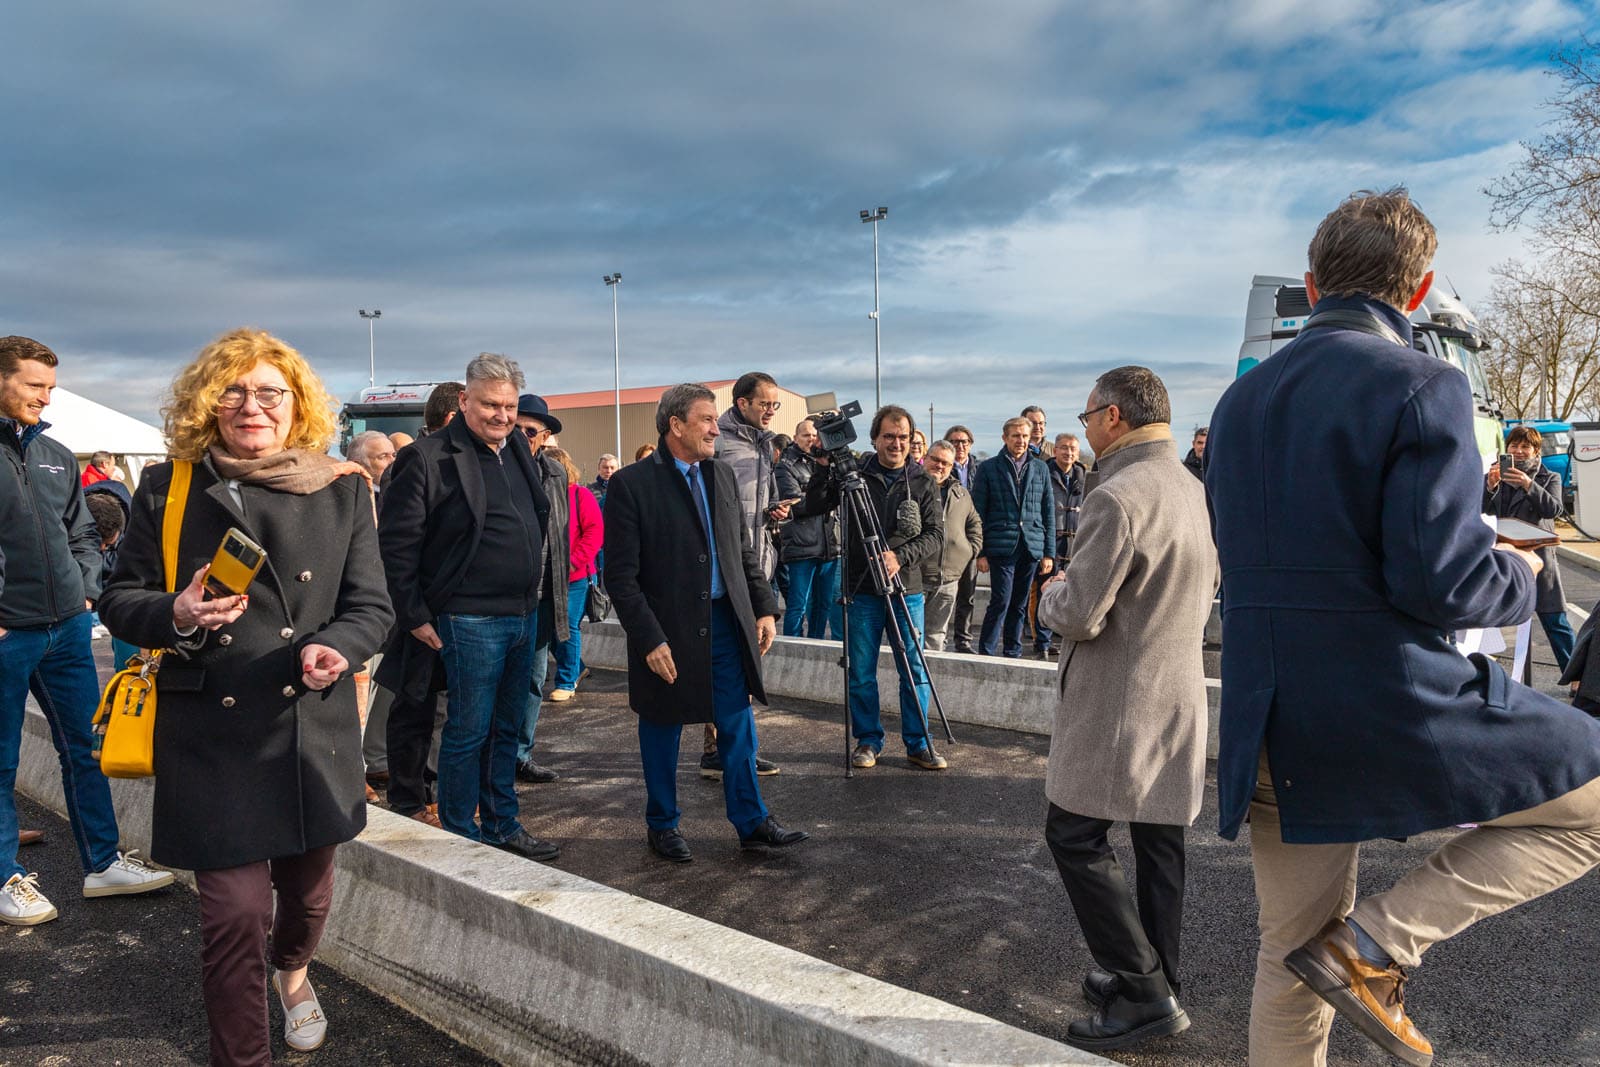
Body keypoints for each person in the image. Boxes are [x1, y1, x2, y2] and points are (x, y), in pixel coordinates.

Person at [1207, 188, 1600, 1067]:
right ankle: (1378, 942)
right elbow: (1445, 579)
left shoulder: (1239, 404)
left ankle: (1351, 951)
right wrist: (1525, 575)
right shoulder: (1425, 381)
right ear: (1417, 294)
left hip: (1266, 718)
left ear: (1312, 288)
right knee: (1594, 809)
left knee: (1284, 953)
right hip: (1385, 707)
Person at [98, 327, 393, 1064]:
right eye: (233, 389)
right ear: (209, 402)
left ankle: (293, 969)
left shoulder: (342, 487)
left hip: (306, 725)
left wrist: (340, 646)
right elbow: (118, 597)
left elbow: (372, 605)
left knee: (308, 898)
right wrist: (177, 611)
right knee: (232, 914)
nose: (250, 405)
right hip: (209, 727)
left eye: (269, 392)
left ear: (296, 407)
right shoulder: (169, 485)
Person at [1038, 366, 1218, 1052]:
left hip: (1120, 700)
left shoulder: (1118, 495)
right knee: (1159, 841)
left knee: (1074, 833)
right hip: (1177, 691)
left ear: (1113, 416)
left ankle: (1142, 987)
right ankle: (1159, 976)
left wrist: (1051, 589)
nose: (1082, 428)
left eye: (1086, 416)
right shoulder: (1193, 489)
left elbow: (1081, 613)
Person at [2, 335, 174, 930]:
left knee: (86, 748)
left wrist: (84, 588)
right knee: (1, 759)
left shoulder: (55, 454)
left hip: (68, 627)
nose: (46, 398)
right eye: (33, 385)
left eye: (50, 387)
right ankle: (5, 878)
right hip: (8, 631)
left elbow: (81, 528)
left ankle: (102, 864)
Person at [604, 382, 809, 862]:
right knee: (661, 728)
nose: (717, 428)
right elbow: (619, 576)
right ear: (675, 425)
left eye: (716, 420)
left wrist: (764, 606)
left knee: (737, 725)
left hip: (724, 623)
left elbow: (742, 553)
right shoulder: (631, 484)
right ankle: (662, 825)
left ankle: (752, 820)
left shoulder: (720, 476)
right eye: (706, 420)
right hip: (665, 630)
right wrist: (649, 639)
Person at [378, 354, 562, 863]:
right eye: (490, 404)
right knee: (468, 730)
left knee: (508, 730)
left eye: (508, 406)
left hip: (523, 614)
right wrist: (413, 615)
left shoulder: (519, 451)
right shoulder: (427, 457)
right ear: (464, 401)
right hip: (467, 618)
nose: (501, 415)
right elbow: (397, 546)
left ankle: (503, 823)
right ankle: (461, 834)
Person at [803, 405, 947, 769]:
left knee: (913, 669)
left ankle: (918, 742)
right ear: (874, 439)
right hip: (861, 588)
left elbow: (935, 535)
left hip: (906, 588)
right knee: (860, 670)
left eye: (903, 438)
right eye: (889, 437)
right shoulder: (856, 474)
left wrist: (901, 556)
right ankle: (868, 740)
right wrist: (823, 467)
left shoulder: (923, 480)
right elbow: (816, 503)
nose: (896, 444)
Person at [371, 380, 462, 829]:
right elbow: (398, 547)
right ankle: (408, 801)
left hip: (447, 611)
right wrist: (412, 614)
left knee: (438, 708)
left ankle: (432, 791)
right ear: (451, 417)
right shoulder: (416, 462)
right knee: (414, 708)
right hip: (419, 613)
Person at [707, 371, 789, 779]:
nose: (771, 411)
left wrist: (775, 510)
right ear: (742, 404)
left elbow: (757, 500)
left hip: (757, 562)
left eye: (775, 405)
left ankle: (728, 748)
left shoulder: (763, 445)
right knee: (729, 665)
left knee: (745, 664)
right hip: (725, 572)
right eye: (765, 404)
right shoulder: (717, 442)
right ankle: (723, 750)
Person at [509, 393, 572, 783]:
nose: (522, 436)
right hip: (505, 596)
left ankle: (520, 754)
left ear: (544, 436)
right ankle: (494, 760)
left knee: (533, 680)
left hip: (545, 594)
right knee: (497, 683)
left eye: (530, 431)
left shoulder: (556, 474)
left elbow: (560, 536)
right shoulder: (496, 466)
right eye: (517, 428)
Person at [1485, 424, 1574, 671]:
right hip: (1503, 556)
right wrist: (1490, 487)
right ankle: (1480, 669)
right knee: (1487, 615)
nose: (1520, 450)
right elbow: (1481, 511)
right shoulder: (1496, 476)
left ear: (1536, 451)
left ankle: (1576, 675)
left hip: (1539, 557)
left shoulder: (1549, 477)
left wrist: (1528, 484)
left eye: (1526, 446)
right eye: (1514, 445)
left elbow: (1554, 509)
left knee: (1554, 619)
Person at [972, 417, 1054, 657]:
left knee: (1019, 603)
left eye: (1025, 436)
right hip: (1001, 545)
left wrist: (1048, 552)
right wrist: (981, 552)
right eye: (1016, 436)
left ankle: (1012, 651)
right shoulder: (988, 468)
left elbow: (1048, 510)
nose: (1021, 441)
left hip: (1031, 545)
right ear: (1005, 438)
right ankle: (987, 650)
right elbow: (978, 512)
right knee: (1000, 600)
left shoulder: (1040, 468)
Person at [773, 418, 842, 639]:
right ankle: (794, 647)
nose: (811, 440)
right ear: (795, 438)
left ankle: (816, 644)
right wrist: (826, 499)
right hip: (801, 546)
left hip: (828, 546)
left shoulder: (826, 462)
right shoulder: (786, 466)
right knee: (797, 606)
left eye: (814, 436)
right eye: (806, 435)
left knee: (823, 604)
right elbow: (795, 504)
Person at [544, 447, 602, 702]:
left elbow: (594, 534)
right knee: (549, 629)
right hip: (546, 577)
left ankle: (567, 680)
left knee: (565, 626)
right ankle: (576, 668)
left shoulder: (580, 495)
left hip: (575, 577)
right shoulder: (541, 495)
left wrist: (570, 563)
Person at [918, 440, 982, 652]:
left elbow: (975, 524)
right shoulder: (910, 486)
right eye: (935, 459)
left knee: (936, 635)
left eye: (945, 463)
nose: (939, 466)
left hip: (948, 579)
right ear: (925, 458)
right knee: (909, 634)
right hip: (916, 577)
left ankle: (929, 680)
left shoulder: (961, 494)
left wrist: (969, 550)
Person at [1032, 432, 1087, 658]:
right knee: (1045, 591)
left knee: (1071, 593)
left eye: (1073, 448)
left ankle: (1064, 640)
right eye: (1064, 448)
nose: (1068, 452)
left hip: (1075, 543)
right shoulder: (1044, 473)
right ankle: (1042, 642)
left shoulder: (1083, 477)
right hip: (1051, 543)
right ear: (1055, 450)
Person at [942, 424, 980, 652]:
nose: (960, 445)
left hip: (969, 542)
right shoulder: (943, 468)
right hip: (949, 543)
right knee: (945, 595)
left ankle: (963, 639)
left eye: (964, 441)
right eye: (955, 441)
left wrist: (976, 545)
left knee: (968, 595)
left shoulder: (980, 469)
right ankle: (942, 637)